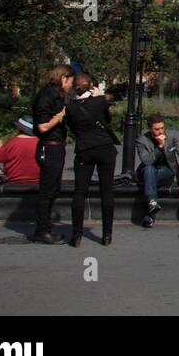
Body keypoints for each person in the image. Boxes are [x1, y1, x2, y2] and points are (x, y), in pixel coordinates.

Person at [65, 72, 118, 247]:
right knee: (106, 191)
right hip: (104, 147)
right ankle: (107, 235)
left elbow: (72, 127)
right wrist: (98, 97)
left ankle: (76, 235)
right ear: (91, 86)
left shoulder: (70, 106)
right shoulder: (100, 101)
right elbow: (108, 119)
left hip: (84, 149)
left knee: (79, 192)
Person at [31, 64, 74, 244]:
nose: (71, 85)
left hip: (56, 147)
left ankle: (45, 227)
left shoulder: (54, 95)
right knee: (47, 191)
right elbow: (42, 126)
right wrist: (60, 116)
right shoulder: (48, 95)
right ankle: (42, 231)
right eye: (70, 81)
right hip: (49, 147)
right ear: (63, 78)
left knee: (53, 190)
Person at [133, 113, 179, 228]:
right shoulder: (141, 141)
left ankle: (150, 210)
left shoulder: (173, 136)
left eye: (162, 128)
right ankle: (152, 205)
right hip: (147, 171)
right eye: (157, 129)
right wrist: (159, 147)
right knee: (150, 170)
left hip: (166, 172)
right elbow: (147, 161)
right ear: (150, 128)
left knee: (151, 176)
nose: (160, 132)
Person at [0, 118, 40, 185]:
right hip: (38, 182)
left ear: (19, 129)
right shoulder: (40, 142)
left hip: (14, 182)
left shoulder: (13, 142)